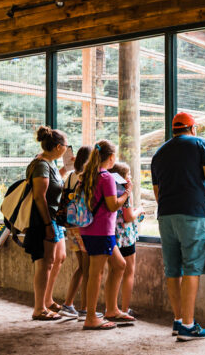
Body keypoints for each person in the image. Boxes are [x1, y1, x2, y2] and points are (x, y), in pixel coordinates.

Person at [151, 112, 205, 341]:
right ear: (193, 128)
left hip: (166, 215)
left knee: (173, 270)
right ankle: (189, 326)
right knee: (192, 267)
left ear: (174, 129)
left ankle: (178, 320)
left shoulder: (159, 153)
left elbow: (157, 191)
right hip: (192, 213)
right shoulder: (200, 144)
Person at [79, 139, 134, 331]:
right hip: (101, 231)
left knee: (119, 265)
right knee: (96, 273)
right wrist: (126, 193)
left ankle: (112, 309)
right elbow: (112, 205)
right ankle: (91, 317)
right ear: (111, 158)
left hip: (92, 230)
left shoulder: (89, 175)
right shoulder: (107, 177)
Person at [25, 126, 73, 320]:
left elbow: (54, 184)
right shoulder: (41, 165)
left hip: (54, 218)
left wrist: (66, 169)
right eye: (67, 146)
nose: (68, 149)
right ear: (59, 147)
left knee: (59, 257)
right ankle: (39, 308)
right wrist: (47, 225)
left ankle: (48, 299)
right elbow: (39, 197)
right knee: (45, 263)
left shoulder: (50, 164)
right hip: (44, 219)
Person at [59, 146, 92, 318]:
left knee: (80, 267)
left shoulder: (71, 177)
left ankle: (68, 303)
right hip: (84, 227)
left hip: (70, 227)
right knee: (88, 269)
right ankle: (85, 308)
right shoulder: (86, 177)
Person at [110, 161, 144, 316]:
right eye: (128, 174)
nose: (130, 177)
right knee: (129, 272)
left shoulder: (110, 189)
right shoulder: (124, 191)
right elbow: (128, 216)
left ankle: (111, 307)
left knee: (113, 273)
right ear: (122, 177)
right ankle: (124, 309)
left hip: (112, 235)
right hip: (125, 237)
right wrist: (140, 210)